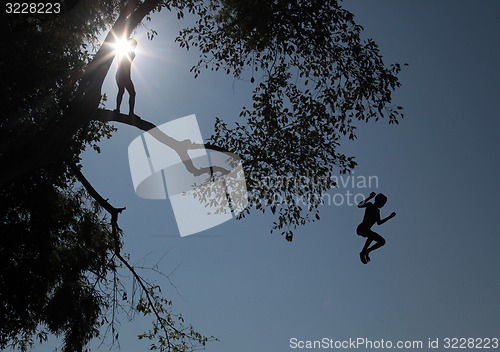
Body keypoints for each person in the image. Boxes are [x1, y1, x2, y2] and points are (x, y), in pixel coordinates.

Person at [356, 192, 396, 264]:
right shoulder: (370, 205)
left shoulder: (377, 211)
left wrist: (389, 217)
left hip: (367, 230)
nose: (383, 205)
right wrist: (369, 197)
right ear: (378, 201)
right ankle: (363, 252)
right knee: (371, 236)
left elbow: (379, 222)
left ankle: (367, 251)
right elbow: (359, 205)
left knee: (382, 241)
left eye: (384, 204)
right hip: (361, 228)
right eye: (383, 203)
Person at [115, 38, 137, 116]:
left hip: (123, 75)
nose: (135, 47)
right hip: (122, 75)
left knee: (127, 92)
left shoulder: (132, 54)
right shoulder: (124, 52)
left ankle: (127, 111)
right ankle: (119, 110)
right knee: (124, 91)